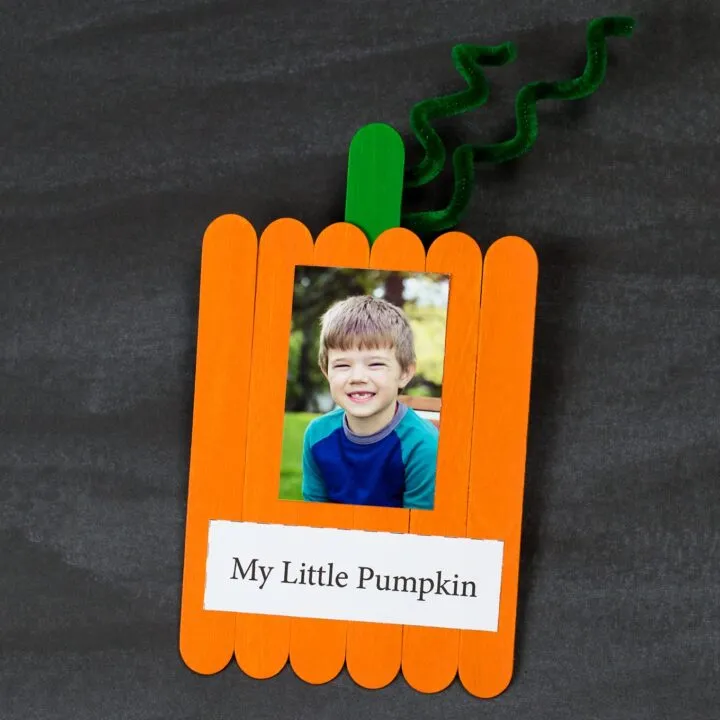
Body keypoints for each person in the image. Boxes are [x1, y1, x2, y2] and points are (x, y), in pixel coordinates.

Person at [301, 295, 438, 509]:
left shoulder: (423, 446)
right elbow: (313, 516)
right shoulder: (317, 435)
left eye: (375, 364)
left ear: (405, 373)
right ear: (326, 372)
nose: (357, 377)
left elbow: (418, 534)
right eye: (342, 365)